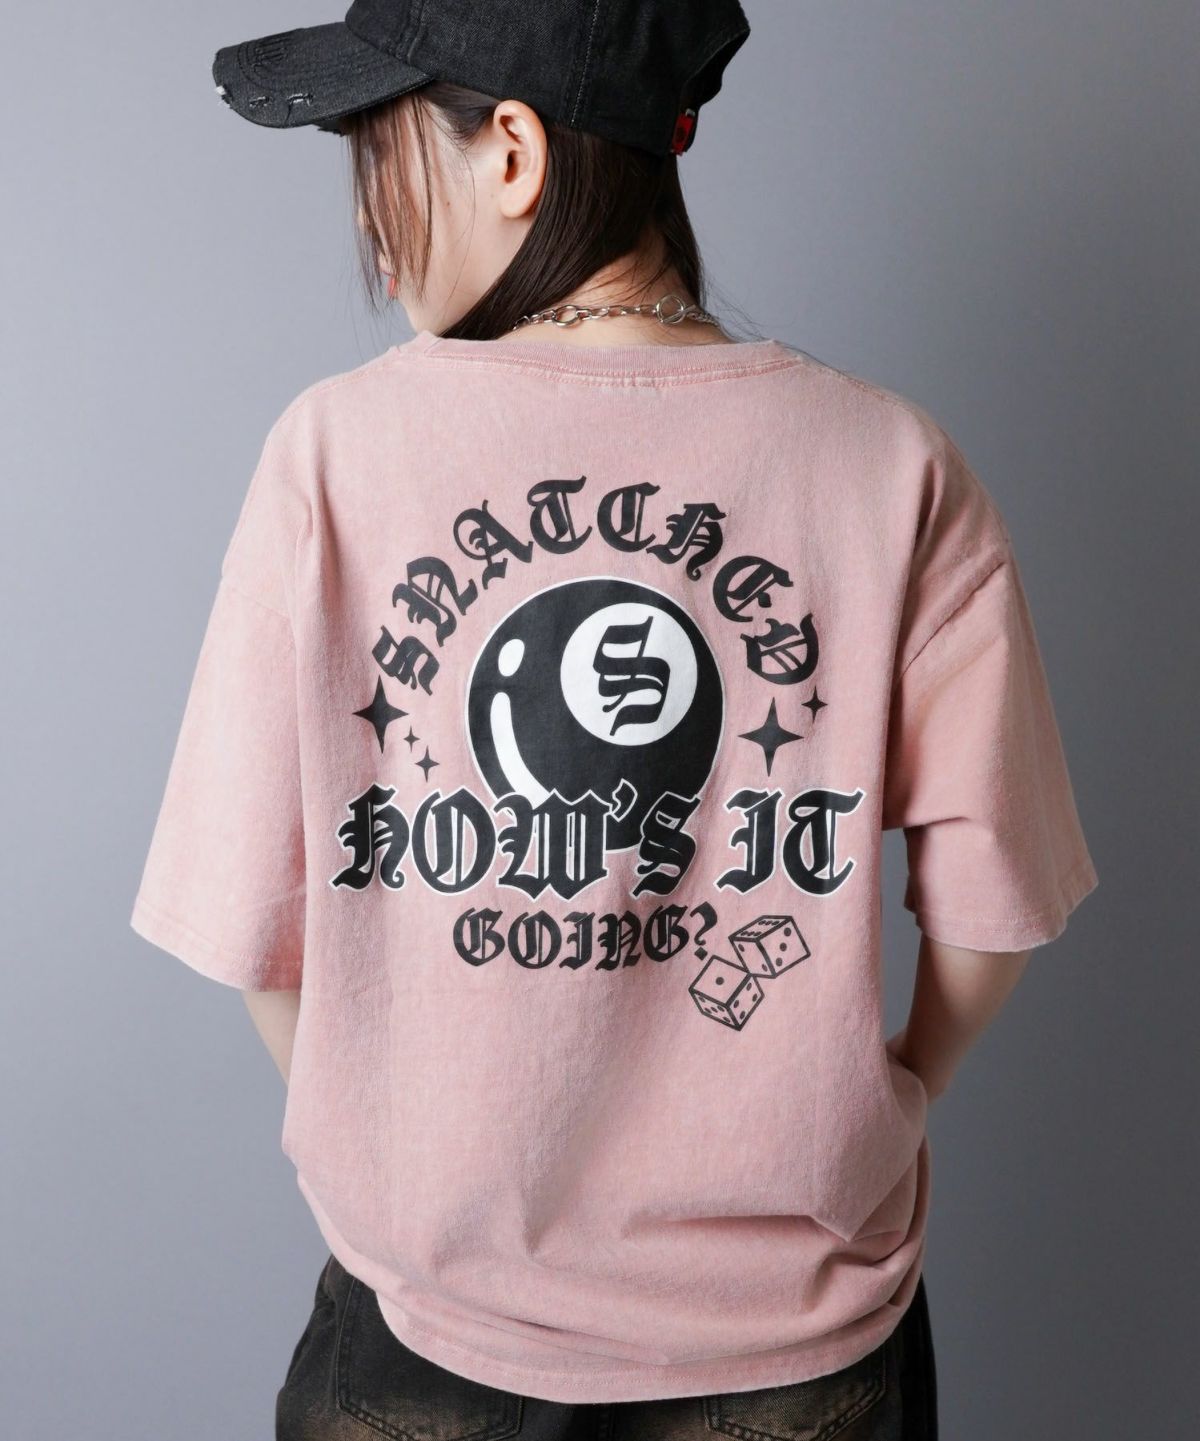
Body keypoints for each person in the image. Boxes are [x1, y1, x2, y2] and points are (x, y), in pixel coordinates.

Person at [129, 3, 1099, 1438]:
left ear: (512, 153)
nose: (370, 223)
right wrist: (892, 1095)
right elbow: (995, 911)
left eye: (380, 153)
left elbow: (245, 919)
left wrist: (399, 1146)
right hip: (795, 1338)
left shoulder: (331, 455)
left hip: (430, 1330)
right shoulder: (890, 463)